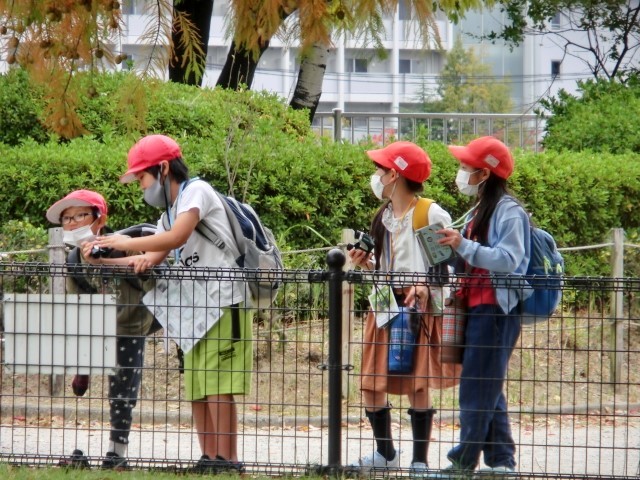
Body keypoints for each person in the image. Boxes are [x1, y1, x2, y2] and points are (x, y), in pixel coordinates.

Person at [89, 134, 251, 473]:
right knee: (199, 384)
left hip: (225, 301)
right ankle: (208, 459)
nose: (141, 187)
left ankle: (227, 461)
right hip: (196, 310)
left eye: (142, 179)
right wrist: (105, 259)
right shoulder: (167, 216)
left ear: (163, 169)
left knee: (219, 384)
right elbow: (151, 258)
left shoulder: (196, 192)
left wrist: (125, 241)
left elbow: (177, 237)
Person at [348, 141, 460, 477]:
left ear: (395, 174)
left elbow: (449, 270)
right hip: (383, 305)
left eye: (380, 170)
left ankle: (420, 462)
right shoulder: (382, 217)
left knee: (419, 384)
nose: (376, 175)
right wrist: (366, 264)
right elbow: (382, 266)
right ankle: (385, 453)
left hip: (418, 309)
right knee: (369, 382)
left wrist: (426, 287)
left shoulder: (429, 213)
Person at [430, 136, 531, 477]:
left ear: (485, 174)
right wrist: (450, 249)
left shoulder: (509, 211)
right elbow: (472, 257)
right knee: (488, 385)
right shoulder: (479, 210)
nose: (461, 173)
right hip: (476, 306)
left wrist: (464, 245)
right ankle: (502, 462)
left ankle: (463, 460)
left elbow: (508, 259)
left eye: (466, 167)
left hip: (497, 310)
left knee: (476, 384)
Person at [47, 189, 157, 469]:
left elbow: (152, 283)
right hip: (97, 323)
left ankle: (116, 453)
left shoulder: (123, 244)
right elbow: (79, 306)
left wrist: (113, 262)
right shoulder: (73, 260)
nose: (72, 223)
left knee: (122, 389)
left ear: (100, 219)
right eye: (66, 219)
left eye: (80, 215)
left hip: (131, 321)